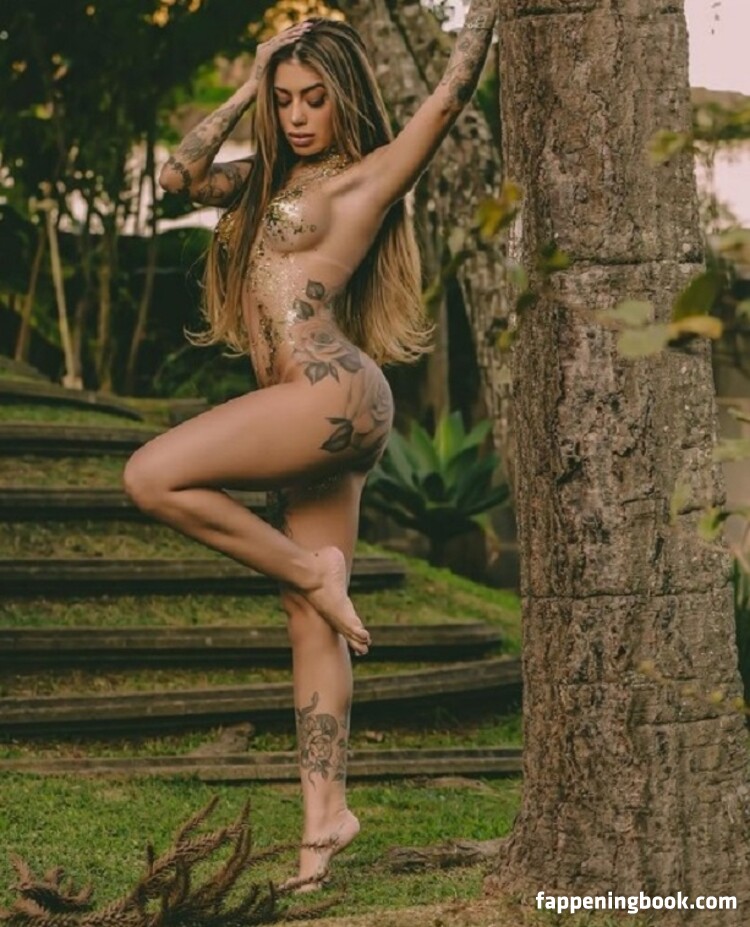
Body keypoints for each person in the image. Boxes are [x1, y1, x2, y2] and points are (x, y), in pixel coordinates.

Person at [122, 0, 498, 892]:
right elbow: (177, 178)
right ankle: (323, 825)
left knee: (151, 475)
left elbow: (447, 98)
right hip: (323, 408)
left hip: (328, 392)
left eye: (313, 98)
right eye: (284, 99)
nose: (296, 115)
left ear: (345, 99)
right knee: (309, 620)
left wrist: (490, 9)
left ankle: (310, 571)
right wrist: (252, 79)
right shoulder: (262, 178)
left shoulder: (365, 179)